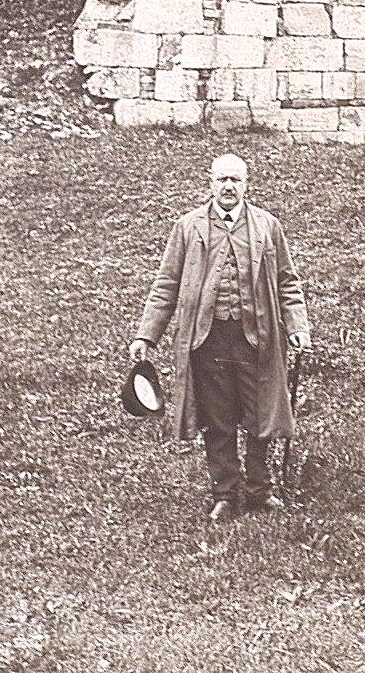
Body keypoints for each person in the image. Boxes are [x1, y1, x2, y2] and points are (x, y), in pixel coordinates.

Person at [129, 152, 310, 525]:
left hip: (256, 338)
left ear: (247, 184)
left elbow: (287, 282)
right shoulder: (188, 227)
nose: (228, 187)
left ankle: (260, 489)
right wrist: (147, 335)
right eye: (221, 180)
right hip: (206, 340)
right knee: (218, 417)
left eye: (236, 180)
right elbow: (166, 284)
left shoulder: (267, 226)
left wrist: (297, 326)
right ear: (210, 183)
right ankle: (225, 493)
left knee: (262, 412)